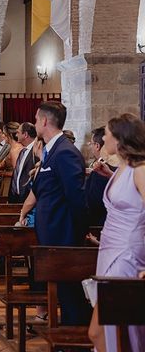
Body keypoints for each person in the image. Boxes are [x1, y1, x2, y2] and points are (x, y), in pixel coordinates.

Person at [88, 114, 145, 352]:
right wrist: (109, 177)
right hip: (110, 249)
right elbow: (127, 197)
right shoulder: (124, 167)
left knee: (110, 329)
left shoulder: (141, 169)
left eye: (108, 134)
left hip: (127, 254)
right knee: (102, 330)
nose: (104, 137)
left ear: (120, 139)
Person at [33, 101, 90, 326]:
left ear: (45, 121)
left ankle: (73, 340)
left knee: (70, 294)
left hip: (63, 234)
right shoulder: (51, 151)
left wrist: (77, 233)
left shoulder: (65, 152)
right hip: (53, 233)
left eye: (37, 119)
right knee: (64, 293)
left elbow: (77, 198)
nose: (35, 123)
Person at [84, 127, 115, 227]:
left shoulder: (101, 168)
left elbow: (95, 202)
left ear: (97, 146)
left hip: (99, 224)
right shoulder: (112, 165)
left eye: (91, 143)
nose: (90, 146)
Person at [8, 122, 37, 204]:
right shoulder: (23, 151)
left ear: (25, 134)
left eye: (18, 132)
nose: (16, 135)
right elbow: (17, 173)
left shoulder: (37, 151)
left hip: (28, 198)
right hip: (16, 197)